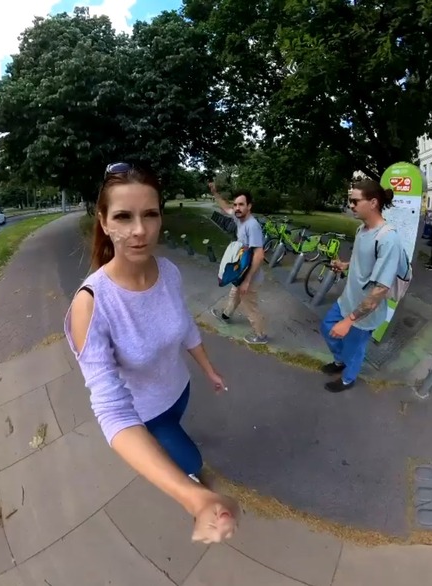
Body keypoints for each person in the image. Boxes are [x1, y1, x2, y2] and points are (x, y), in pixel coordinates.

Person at [65, 162, 239, 544]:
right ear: (104, 222)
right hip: (146, 415)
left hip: (179, 391)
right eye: (124, 217)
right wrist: (195, 499)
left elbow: (186, 327)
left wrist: (208, 369)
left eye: (150, 214)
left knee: (183, 439)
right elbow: (111, 410)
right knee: (191, 462)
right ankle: (200, 479)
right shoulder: (91, 304)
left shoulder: (169, 272)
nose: (140, 230)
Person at [319, 179, 409, 392]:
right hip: (347, 300)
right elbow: (365, 262)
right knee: (327, 328)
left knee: (354, 348)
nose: (351, 205)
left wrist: (349, 321)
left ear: (373, 203)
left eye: (355, 201)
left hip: (366, 311)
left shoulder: (388, 239)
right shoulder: (362, 230)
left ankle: (348, 379)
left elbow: (380, 290)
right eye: (350, 201)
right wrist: (345, 265)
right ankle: (339, 362)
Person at [208, 182, 269, 345]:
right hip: (240, 269)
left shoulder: (252, 226)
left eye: (241, 204)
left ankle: (261, 335)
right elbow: (225, 208)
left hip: (250, 275)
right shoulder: (238, 217)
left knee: (250, 306)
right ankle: (226, 316)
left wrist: (247, 280)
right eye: (236, 205)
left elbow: (259, 255)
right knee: (234, 294)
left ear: (249, 206)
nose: (237, 208)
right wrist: (215, 193)